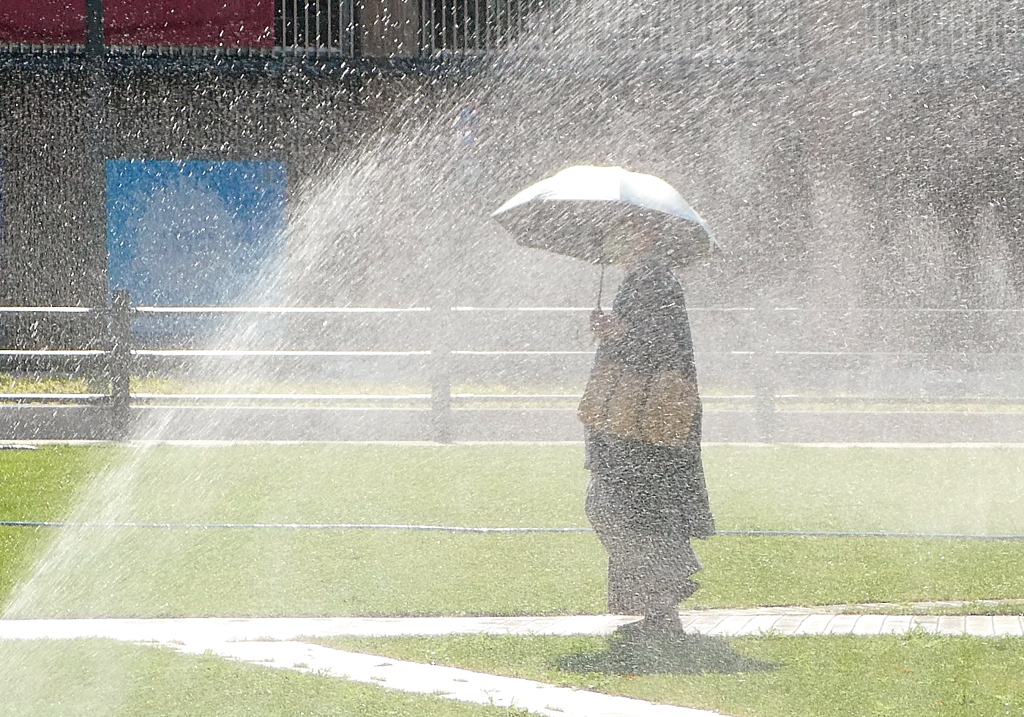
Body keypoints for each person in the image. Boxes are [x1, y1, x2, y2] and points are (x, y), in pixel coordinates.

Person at [578, 217, 715, 637]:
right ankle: (659, 610)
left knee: (625, 508)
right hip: (639, 421)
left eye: (621, 230)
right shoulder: (643, 280)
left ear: (645, 235)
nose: (611, 238)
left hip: (644, 424)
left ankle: (661, 611)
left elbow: (663, 347)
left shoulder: (655, 280)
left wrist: (620, 332)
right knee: (635, 508)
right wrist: (616, 331)